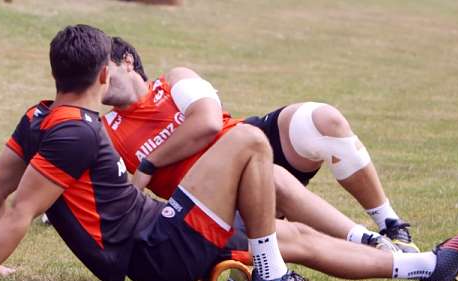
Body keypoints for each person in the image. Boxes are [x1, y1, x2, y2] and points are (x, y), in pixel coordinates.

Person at [0, 25, 458, 281]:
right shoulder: (78, 131)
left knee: (290, 232)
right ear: (103, 75)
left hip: (156, 237)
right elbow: (21, 208)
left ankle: (428, 267)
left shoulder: (38, 116)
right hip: (155, 249)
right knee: (249, 143)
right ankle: (269, 275)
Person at [102, 37, 416, 252]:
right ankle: (367, 243)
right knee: (272, 179)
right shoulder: (106, 130)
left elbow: (209, 123)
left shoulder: (173, 79)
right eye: (93, 76)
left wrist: (149, 163)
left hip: (250, 143)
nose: (99, 80)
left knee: (323, 120)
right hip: (214, 199)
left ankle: (390, 225)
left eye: (104, 69)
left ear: (127, 61)